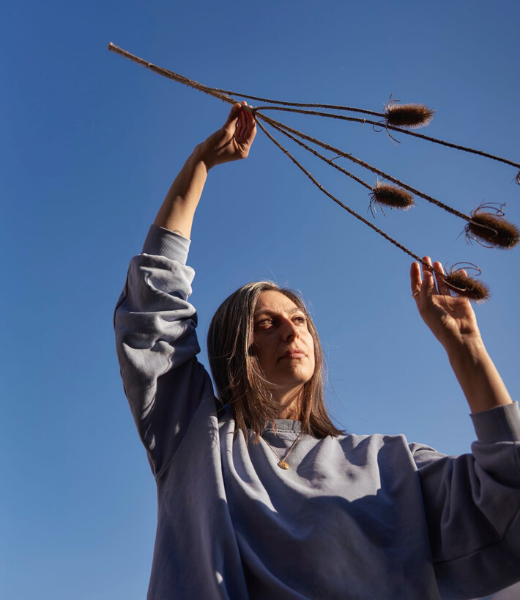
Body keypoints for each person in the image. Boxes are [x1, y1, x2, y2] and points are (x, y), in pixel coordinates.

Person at [114, 103, 520, 600]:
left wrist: (469, 352)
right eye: (267, 323)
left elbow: (507, 506)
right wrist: (200, 163)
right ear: (237, 351)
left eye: (300, 320)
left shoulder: (388, 465)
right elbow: (153, 310)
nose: (291, 330)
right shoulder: (195, 438)